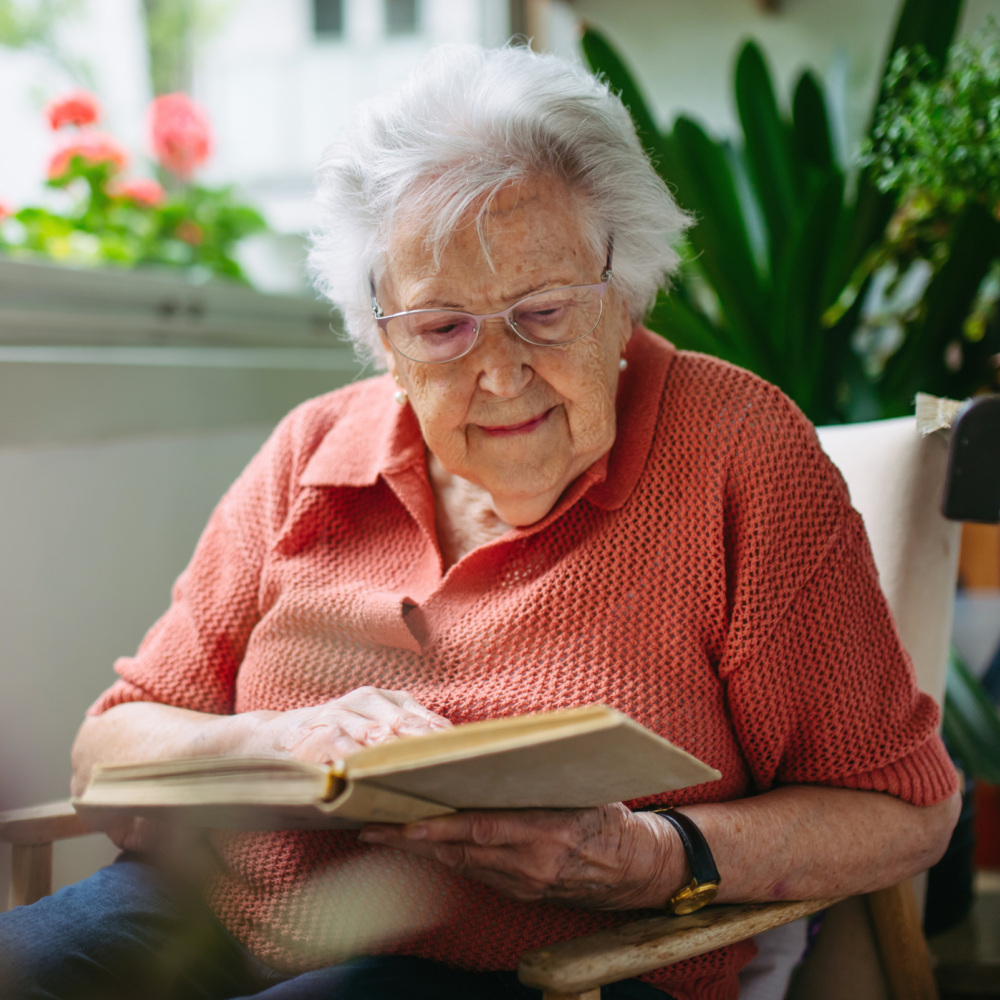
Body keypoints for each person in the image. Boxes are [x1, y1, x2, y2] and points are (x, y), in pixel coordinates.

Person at [0, 43, 959, 1000]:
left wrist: (657, 854)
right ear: (379, 332)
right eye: (441, 327)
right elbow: (109, 750)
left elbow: (904, 811)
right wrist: (271, 741)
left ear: (625, 290)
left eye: (543, 312)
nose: (499, 375)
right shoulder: (313, 449)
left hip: (531, 973)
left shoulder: (737, 455)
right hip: (203, 920)